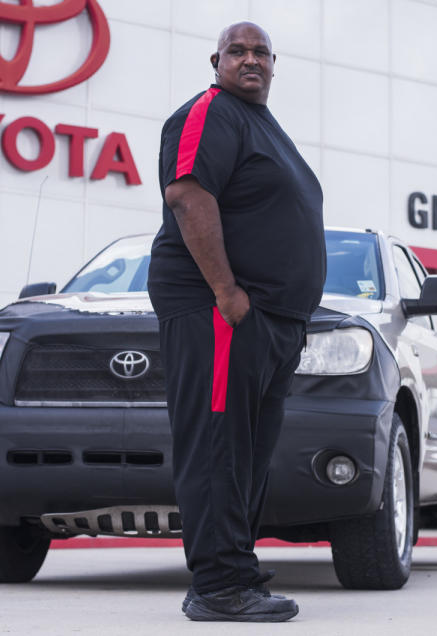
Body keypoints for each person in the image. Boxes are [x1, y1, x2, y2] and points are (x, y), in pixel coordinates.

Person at [147, 21, 326, 622]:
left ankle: (236, 570)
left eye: (260, 52)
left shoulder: (263, 126)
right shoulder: (210, 110)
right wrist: (226, 293)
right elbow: (189, 194)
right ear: (217, 61)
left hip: (271, 321)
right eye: (237, 51)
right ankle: (219, 586)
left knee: (248, 452)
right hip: (219, 312)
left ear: (275, 63)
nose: (249, 59)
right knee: (219, 446)